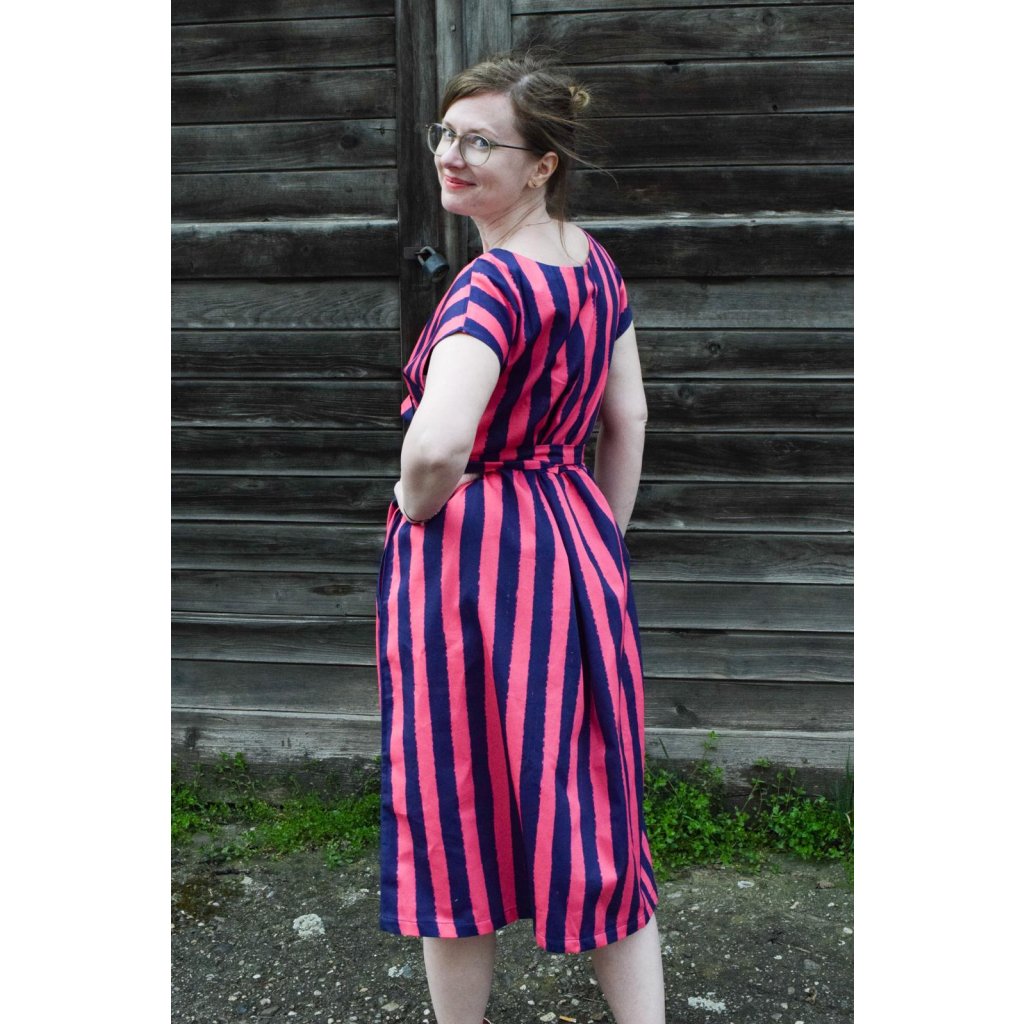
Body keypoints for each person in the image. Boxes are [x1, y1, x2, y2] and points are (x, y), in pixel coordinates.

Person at [375, 52, 665, 1024]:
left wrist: (414, 504)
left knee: (454, 807)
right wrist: (597, 542)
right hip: (571, 541)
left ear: (542, 164)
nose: (451, 156)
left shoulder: (490, 287)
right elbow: (627, 418)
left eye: (480, 142)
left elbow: (439, 443)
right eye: (445, 134)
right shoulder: (592, 262)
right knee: (593, 804)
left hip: (472, 564)